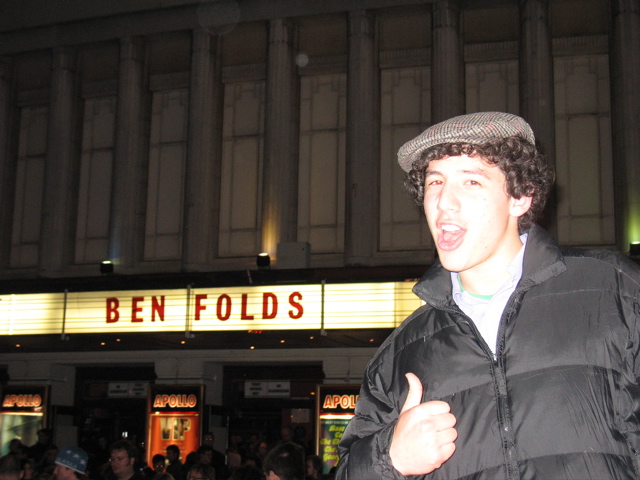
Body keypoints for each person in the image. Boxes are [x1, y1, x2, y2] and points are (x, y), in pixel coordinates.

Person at [336, 111, 640, 479]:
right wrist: (392, 457)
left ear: (521, 196)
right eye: (435, 182)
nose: (444, 203)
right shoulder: (402, 352)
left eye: (471, 182)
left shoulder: (615, 290)